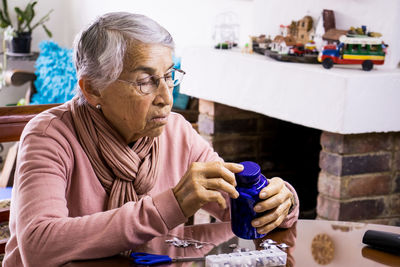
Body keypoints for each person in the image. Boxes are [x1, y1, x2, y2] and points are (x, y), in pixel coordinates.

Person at [3, 12, 299, 266]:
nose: (166, 98)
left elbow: (233, 203)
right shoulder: (50, 136)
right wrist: (168, 206)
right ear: (92, 88)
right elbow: (38, 245)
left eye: (170, 76)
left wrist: (279, 200)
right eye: (145, 82)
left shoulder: (176, 131)